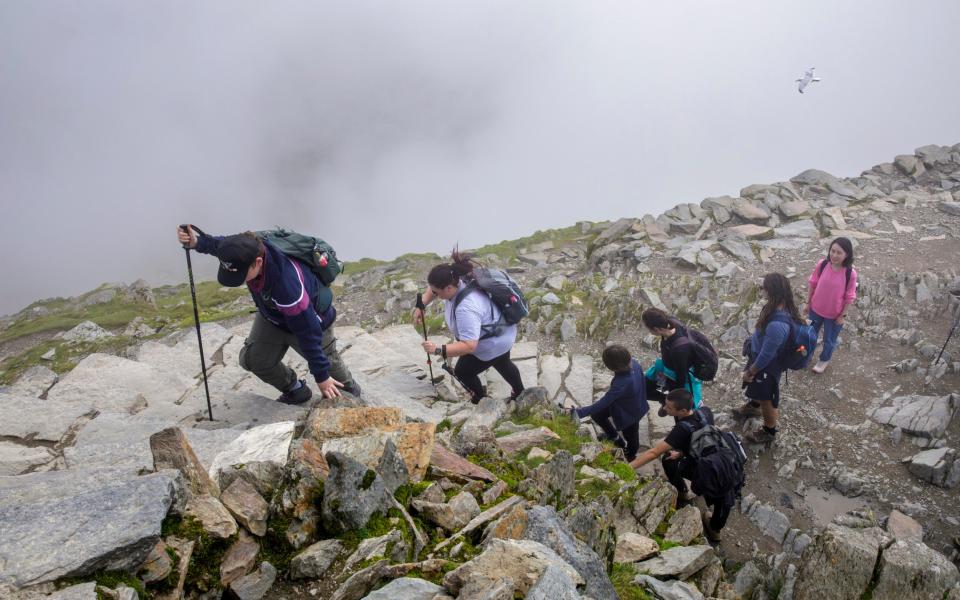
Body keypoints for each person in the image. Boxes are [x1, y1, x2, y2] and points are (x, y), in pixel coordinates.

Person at [176, 226, 359, 404]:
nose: (237, 278)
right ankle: (296, 390)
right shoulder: (247, 247)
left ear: (258, 262)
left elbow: (307, 332)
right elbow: (224, 247)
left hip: (309, 319)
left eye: (241, 273)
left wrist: (321, 376)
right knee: (254, 360)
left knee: (334, 378)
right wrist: (198, 242)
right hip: (274, 316)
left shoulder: (286, 285)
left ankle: (352, 391)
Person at [413, 249, 524, 404]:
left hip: (492, 343)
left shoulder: (467, 308)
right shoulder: (457, 277)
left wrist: (438, 349)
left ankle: (481, 400)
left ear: (448, 288)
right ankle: (520, 393)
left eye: (437, 293)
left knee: (463, 372)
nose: (435, 295)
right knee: (503, 362)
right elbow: (432, 288)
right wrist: (422, 304)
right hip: (502, 332)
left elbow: (469, 346)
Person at [628, 389, 729, 541]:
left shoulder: (683, 428)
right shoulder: (705, 411)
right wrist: (682, 452)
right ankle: (715, 529)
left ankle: (682, 491)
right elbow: (704, 437)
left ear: (682, 410)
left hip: (703, 467)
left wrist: (628, 467)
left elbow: (653, 453)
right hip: (724, 462)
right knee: (725, 494)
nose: (664, 409)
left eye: (668, 407)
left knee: (667, 460)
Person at [735, 272, 803, 444]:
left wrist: (751, 371)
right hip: (760, 359)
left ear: (771, 291)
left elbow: (767, 354)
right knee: (759, 391)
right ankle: (754, 406)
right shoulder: (778, 307)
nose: (761, 290)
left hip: (766, 366)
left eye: (763, 287)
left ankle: (769, 430)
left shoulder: (777, 324)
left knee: (767, 398)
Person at [569, 345, 648, 461]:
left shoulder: (622, 383)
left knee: (631, 437)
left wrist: (579, 412)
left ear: (612, 368)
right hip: (630, 402)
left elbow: (604, 401)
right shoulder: (634, 363)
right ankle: (615, 437)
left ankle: (630, 455)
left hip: (630, 414)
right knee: (597, 415)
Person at [805, 237, 858, 374]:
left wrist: (843, 315)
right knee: (810, 335)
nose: (834, 255)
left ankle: (824, 359)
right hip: (815, 309)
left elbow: (849, 296)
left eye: (839, 253)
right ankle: (807, 355)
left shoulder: (850, 273)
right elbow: (813, 283)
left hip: (834, 315)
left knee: (829, 340)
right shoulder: (822, 264)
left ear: (847, 254)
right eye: (832, 251)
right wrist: (807, 303)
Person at [640, 308, 704, 416]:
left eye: (649, 329)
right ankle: (664, 400)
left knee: (680, 408)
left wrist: (673, 399)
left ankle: (674, 412)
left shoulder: (679, 349)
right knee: (643, 389)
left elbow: (681, 377)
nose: (649, 332)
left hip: (680, 378)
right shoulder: (670, 323)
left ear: (656, 329)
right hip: (668, 370)